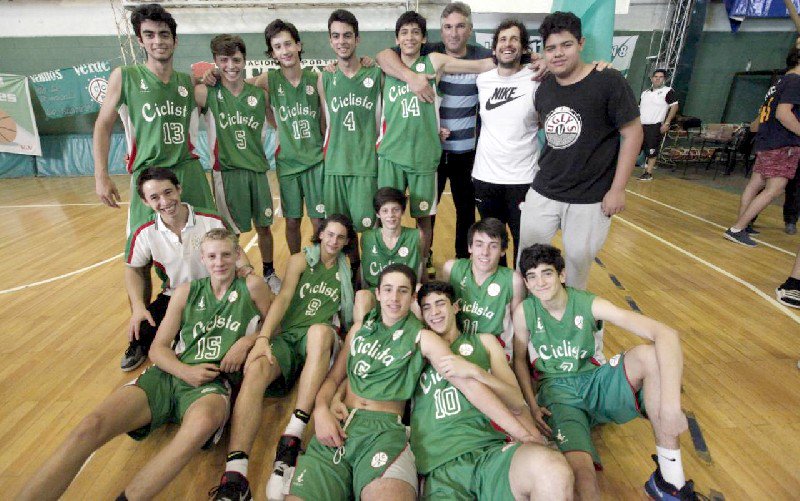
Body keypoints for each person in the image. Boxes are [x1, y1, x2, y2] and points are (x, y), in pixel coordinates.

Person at [18, 229, 271, 501]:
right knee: (91, 425)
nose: (219, 262)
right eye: (212, 256)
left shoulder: (252, 287)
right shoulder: (186, 292)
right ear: (202, 258)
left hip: (212, 383)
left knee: (201, 425)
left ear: (237, 254)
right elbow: (157, 349)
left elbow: (277, 323)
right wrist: (185, 371)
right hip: (171, 373)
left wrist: (248, 341)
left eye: (226, 255)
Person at [286, 264, 538, 501]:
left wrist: (523, 434)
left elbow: (469, 386)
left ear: (412, 297)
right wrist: (321, 408)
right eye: (388, 290)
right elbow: (333, 378)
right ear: (378, 294)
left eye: (403, 291)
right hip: (341, 423)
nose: (394, 298)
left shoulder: (423, 337)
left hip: (382, 429)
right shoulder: (359, 330)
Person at [513, 244, 700, 501]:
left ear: (562, 275)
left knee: (648, 356)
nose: (540, 282)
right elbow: (519, 361)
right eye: (532, 276)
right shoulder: (525, 312)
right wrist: (532, 405)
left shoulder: (588, 303)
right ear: (525, 282)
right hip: (558, 395)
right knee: (583, 478)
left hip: (594, 381)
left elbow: (666, 333)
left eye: (547, 273)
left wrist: (671, 407)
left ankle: (669, 480)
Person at [210, 214, 356, 501]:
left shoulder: (345, 266)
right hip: (288, 334)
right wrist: (263, 338)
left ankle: (293, 435)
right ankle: (236, 473)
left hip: (319, 339)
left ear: (347, 241)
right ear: (320, 234)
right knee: (256, 369)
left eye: (340, 237)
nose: (334, 241)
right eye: (329, 234)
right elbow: (284, 298)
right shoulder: (300, 260)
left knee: (319, 331)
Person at [412, 280, 574, 500]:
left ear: (456, 307)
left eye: (440, 303)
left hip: (490, 451)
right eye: (426, 307)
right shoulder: (417, 350)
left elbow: (516, 400)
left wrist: (475, 371)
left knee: (554, 470)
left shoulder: (485, 342)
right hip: (441, 465)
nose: (434, 312)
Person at [516, 11, 642, 291]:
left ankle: (572, 317)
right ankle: (523, 315)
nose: (558, 53)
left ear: (581, 43)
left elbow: (633, 133)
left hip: (590, 196)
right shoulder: (544, 87)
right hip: (545, 189)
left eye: (566, 45)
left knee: (576, 264)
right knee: (527, 261)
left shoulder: (608, 81)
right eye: (551, 48)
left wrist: (618, 189)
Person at [374, 11, 494, 273]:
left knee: (424, 218)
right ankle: (384, 266)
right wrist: (412, 78)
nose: (409, 37)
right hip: (391, 155)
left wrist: (528, 58)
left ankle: (420, 266)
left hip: (424, 157)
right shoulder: (387, 66)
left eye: (415, 32)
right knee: (385, 215)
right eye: (404, 33)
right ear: (396, 38)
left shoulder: (434, 61)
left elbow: (478, 66)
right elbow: (380, 56)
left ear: (425, 38)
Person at [94, 3, 214, 234]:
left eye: (164, 34)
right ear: (140, 40)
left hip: (188, 171)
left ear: (175, 41)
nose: (158, 41)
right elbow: (102, 125)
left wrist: (213, 74)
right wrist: (101, 176)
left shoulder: (188, 82)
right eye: (149, 35)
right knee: (143, 246)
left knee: (207, 240)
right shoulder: (124, 77)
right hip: (148, 175)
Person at [122, 167, 252, 371]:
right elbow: (133, 269)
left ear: (179, 189)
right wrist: (138, 306)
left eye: (168, 192)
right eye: (155, 197)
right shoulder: (143, 231)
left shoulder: (210, 219)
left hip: (217, 291)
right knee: (142, 329)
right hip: (175, 296)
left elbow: (235, 249)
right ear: (146, 202)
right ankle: (143, 345)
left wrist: (246, 268)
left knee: (240, 325)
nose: (165, 202)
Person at [196, 34, 281, 293]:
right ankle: (232, 277)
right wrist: (201, 76)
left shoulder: (260, 96)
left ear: (244, 61)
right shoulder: (206, 93)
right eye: (224, 60)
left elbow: (277, 122)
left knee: (265, 227)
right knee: (231, 233)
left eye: (236, 60)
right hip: (227, 173)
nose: (231, 66)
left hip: (257, 171)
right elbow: (179, 89)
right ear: (215, 61)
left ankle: (269, 272)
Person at [473, 19, 540, 264]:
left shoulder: (537, 78)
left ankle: (523, 288)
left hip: (523, 179)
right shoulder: (483, 79)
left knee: (525, 244)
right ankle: (497, 288)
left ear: (524, 47)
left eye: (514, 39)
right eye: (502, 39)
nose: (508, 44)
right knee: (493, 245)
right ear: (494, 48)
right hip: (486, 177)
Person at [725, 46, 800, 247]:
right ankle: (737, 229)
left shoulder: (779, 83)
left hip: (766, 140)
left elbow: (757, 122)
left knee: (756, 183)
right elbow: (783, 114)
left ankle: (743, 223)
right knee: (775, 188)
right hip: (782, 142)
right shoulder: (796, 82)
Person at [263, 19, 326, 254]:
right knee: (291, 221)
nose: (284, 51)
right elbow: (238, 83)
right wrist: (213, 75)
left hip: (315, 160)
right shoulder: (269, 80)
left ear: (298, 45)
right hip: (288, 164)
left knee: (319, 220)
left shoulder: (316, 78)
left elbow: (324, 119)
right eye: (278, 47)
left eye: (288, 44)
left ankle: (320, 262)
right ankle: (295, 262)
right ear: (272, 53)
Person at [319, 9, 382, 238]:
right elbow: (324, 124)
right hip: (334, 166)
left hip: (366, 165)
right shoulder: (325, 77)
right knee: (338, 233)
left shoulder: (376, 74)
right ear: (330, 40)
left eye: (347, 35)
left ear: (357, 39)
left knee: (369, 232)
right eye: (336, 36)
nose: (341, 41)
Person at [442, 218, 526, 360]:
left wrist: (519, 361)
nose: (485, 252)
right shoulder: (451, 269)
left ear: (503, 251)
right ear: (470, 247)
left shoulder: (513, 280)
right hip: (457, 346)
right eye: (479, 244)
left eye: (493, 246)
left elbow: (519, 326)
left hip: (494, 352)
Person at [354, 187, 423, 324]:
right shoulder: (367, 237)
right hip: (378, 293)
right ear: (378, 213)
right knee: (361, 295)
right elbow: (362, 269)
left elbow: (421, 267)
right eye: (385, 210)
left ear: (402, 211)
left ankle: (417, 333)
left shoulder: (417, 236)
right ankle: (362, 334)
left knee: (419, 289)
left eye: (395, 209)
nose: (390, 215)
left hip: (404, 293)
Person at [637, 69, 678, 181]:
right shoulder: (645, 93)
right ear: (651, 78)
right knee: (635, 149)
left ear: (664, 79)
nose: (658, 79)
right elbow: (639, 109)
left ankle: (648, 173)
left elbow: (674, 106)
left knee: (652, 150)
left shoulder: (667, 91)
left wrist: (667, 123)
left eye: (660, 77)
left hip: (654, 126)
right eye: (656, 76)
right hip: (640, 126)